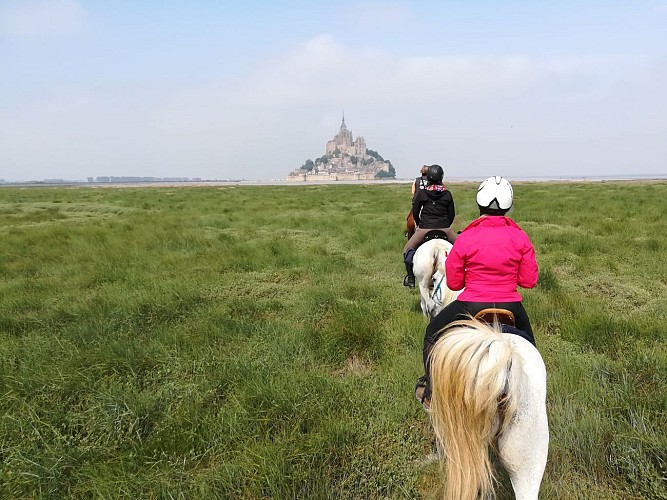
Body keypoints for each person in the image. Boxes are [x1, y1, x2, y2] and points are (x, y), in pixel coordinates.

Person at [414, 176, 538, 409]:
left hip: (471, 305)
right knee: (531, 350)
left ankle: (431, 392)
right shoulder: (521, 237)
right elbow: (529, 281)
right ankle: (531, 399)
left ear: (479, 204)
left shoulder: (467, 237)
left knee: (431, 333)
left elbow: (454, 282)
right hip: (511, 306)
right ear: (508, 208)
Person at [403, 164, 457, 288]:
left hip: (424, 229)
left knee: (407, 251)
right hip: (445, 229)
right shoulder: (447, 194)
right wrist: (446, 226)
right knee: (464, 249)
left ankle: (410, 278)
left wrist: (420, 224)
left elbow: (416, 213)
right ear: (441, 177)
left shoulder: (422, 193)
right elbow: (452, 214)